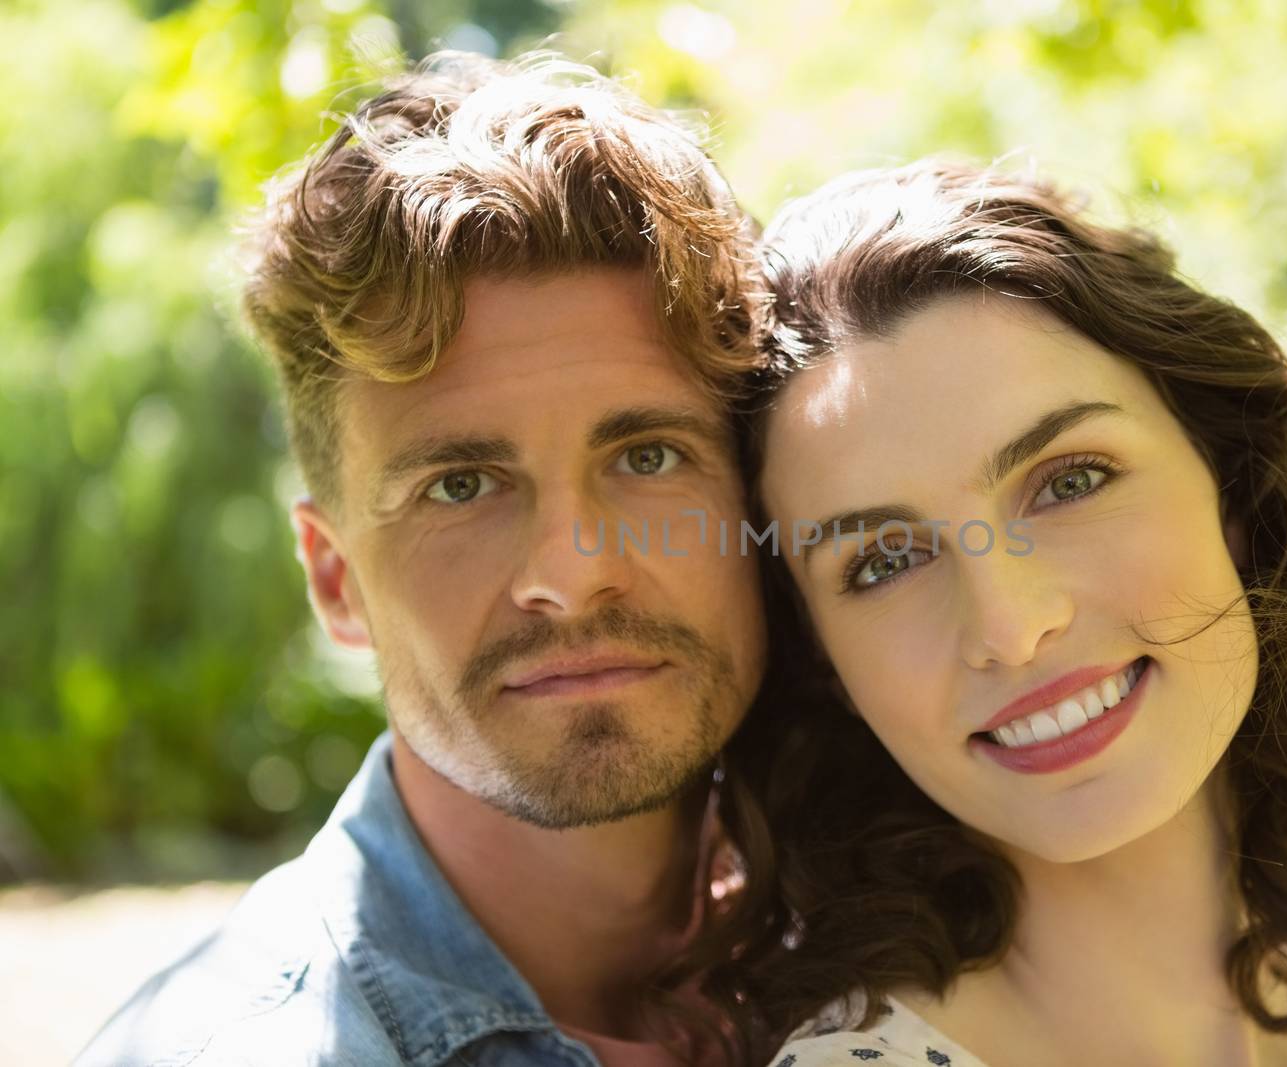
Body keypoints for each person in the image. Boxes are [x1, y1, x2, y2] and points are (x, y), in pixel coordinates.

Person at [695, 161, 1287, 1065]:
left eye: (1069, 481)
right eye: (884, 560)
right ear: (828, 662)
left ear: (1232, 489)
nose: (1010, 624)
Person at [78, 51, 772, 1067]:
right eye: (460, 484)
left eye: (648, 455)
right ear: (335, 579)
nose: (574, 572)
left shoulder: (932, 950)